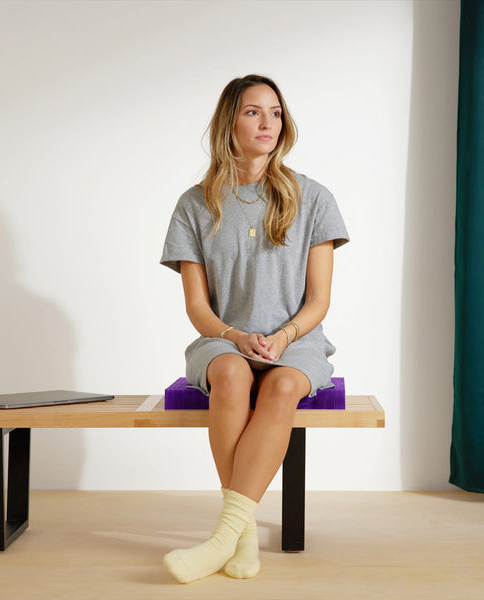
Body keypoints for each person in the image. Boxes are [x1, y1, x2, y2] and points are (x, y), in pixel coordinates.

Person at [159, 74, 349, 584]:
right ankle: (241, 536)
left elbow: (319, 300)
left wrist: (283, 337)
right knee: (232, 375)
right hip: (222, 337)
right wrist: (237, 337)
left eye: (275, 112)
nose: (268, 122)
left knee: (284, 383)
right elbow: (198, 308)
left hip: (297, 339)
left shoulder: (314, 198)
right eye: (252, 112)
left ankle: (222, 537)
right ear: (230, 121)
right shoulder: (194, 204)